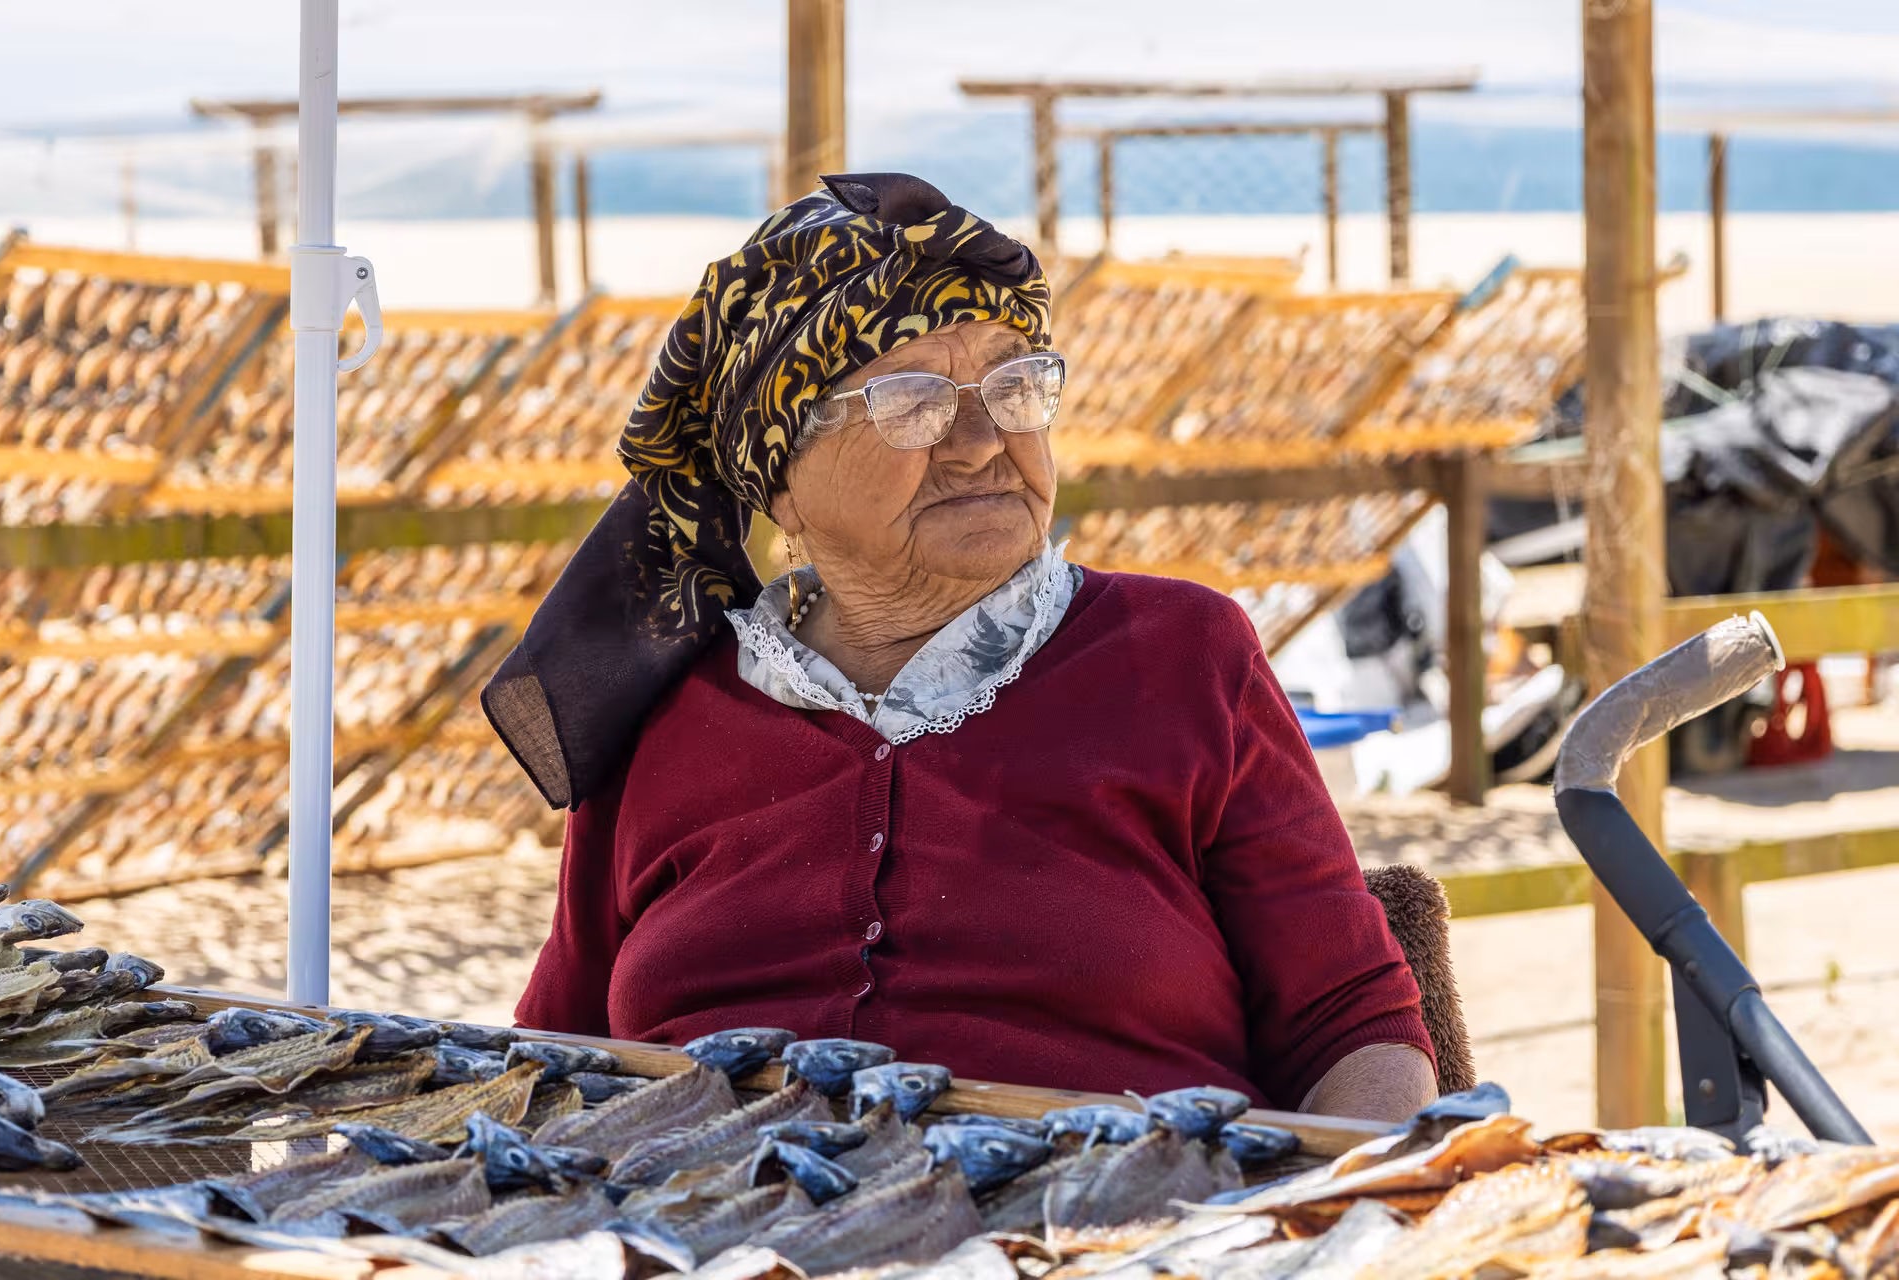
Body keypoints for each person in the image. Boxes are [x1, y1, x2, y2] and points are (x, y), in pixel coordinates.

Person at [485, 173, 1436, 1121]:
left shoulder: (1182, 654)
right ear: (779, 483)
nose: (983, 440)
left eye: (1016, 387)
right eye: (913, 404)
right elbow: (558, 1061)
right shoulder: (663, 711)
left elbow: (1348, 1025)